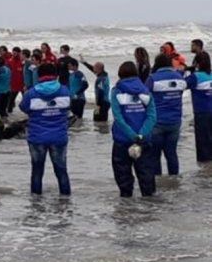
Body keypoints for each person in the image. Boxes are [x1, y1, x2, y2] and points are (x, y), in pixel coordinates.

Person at [19, 63, 71, 196]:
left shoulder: (31, 93)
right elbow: (68, 108)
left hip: (37, 137)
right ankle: (65, 201)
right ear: (55, 75)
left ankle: (36, 202)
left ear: (39, 76)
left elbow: (23, 108)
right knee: (61, 171)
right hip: (59, 136)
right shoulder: (65, 91)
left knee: (37, 171)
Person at [110, 61, 157, 197]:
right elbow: (152, 116)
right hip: (143, 140)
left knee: (122, 175)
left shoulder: (116, 91)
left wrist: (131, 135)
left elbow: (118, 117)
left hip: (122, 140)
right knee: (146, 174)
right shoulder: (145, 91)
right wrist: (141, 134)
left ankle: (127, 207)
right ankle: (148, 209)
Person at [146, 54, 187, 175]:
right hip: (175, 122)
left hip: (157, 122)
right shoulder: (179, 78)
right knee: (172, 154)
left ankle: (158, 181)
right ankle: (174, 180)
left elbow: (144, 97)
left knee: (155, 155)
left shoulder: (153, 78)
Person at [185, 51, 212, 162]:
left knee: (202, 142)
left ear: (197, 63)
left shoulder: (195, 77)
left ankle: (204, 167)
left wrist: (187, 72)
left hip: (202, 112)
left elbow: (181, 84)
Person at [80, 56, 111, 122]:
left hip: (102, 103)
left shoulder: (100, 79)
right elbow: (92, 69)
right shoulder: (104, 75)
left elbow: (101, 92)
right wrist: (85, 63)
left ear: (98, 68)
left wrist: (98, 105)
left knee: (98, 121)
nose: (93, 68)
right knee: (102, 121)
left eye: (94, 67)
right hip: (105, 102)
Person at [6, 47, 25, 113]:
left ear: (19, 53)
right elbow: (7, 72)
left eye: (15, 53)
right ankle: (9, 114)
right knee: (11, 100)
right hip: (13, 84)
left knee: (26, 99)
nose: (14, 54)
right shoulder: (9, 61)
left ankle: (28, 113)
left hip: (23, 84)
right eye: (13, 53)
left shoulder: (23, 61)